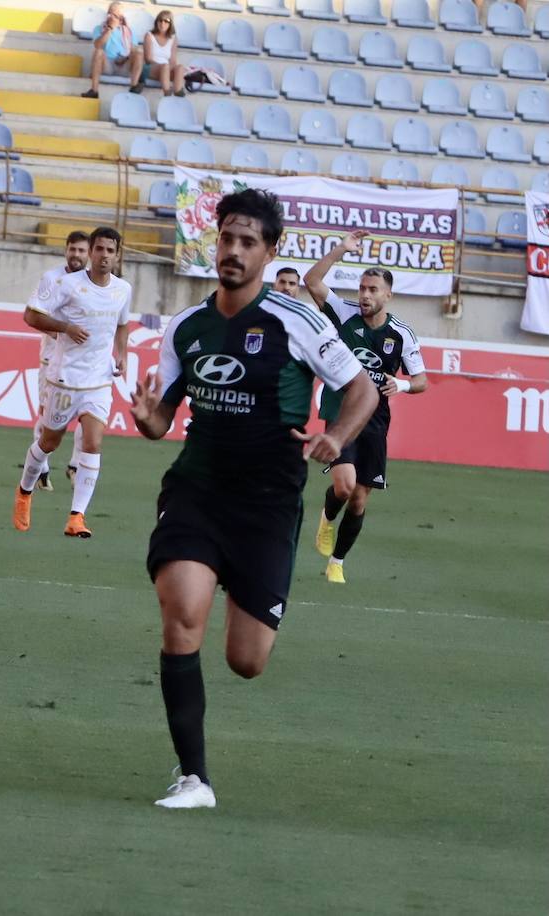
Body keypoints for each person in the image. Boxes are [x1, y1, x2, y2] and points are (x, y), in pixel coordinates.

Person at [129, 189, 377, 809]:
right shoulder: (188, 327)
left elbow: (363, 389)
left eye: (247, 243)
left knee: (247, 660)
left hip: (268, 504)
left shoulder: (298, 319)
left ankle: (245, 585)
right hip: (197, 489)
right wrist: (147, 418)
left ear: (270, 251)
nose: (233, 252)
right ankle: (193, 778)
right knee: (182, 611)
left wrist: (337, 438)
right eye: (226, 240)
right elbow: (164, 421)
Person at [303, 230, 428, 584]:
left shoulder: (401, 334)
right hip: (341, 409)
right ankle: (327, 520)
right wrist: (341, 248)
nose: (365, 295)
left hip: (375, 419)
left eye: (373, 290)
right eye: (362, 288)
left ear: (388, 294)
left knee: (359, 499)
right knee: (344, 486)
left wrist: (402, 384)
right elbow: (312, 280)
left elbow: (422, 380)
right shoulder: (343, 312)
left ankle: (337, 562)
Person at [14, 227, 131, 538]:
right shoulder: (65, 284)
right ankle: (25, 492)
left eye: (110, 250)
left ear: (117, 255)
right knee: (49, 442)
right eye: (100, 249)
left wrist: (122, 354)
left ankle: (76, 516)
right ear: (90, 252)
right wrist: (65, 326)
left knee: (93, 443)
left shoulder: (123, 289)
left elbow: (122, 323)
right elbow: (31, 316)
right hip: (65, 379)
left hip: (99, 381)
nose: (104, 255)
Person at [29, 231, 92, 492]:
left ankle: (75, 466)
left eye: (81, 250)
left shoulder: (97, 282)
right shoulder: (52, 279)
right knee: (47, 415)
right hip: (52, 359)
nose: (76, 255)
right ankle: (41, 466)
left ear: (89, 254)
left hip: (86, 362)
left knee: (87, 416)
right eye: (72, 249)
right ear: (66, 250)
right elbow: (34, 315)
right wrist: (63, 332)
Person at [82, 2, 144, 99]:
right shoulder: (99, 28)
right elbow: (98, 45)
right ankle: (94, 90)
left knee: (139, 52)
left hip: (124, 65)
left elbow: (134, 50)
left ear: (121, 18)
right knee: (98, 52)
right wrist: (110, 29)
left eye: (115, 15)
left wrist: (125, 57)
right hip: (107, 65)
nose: (111, 17)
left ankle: (134, 86)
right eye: (109, 13)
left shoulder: (129, 31)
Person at [143, 10, 186, 97]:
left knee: (180, 67)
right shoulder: (149, 35)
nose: (163, 23)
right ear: (157, 22)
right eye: (160, 20)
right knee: (165, 66)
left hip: (165, 69)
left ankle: (178, 93)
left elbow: (173, 60)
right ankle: (167, 92)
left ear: (170, 24)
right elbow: (148, 59)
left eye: (166, 21)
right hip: (152, 67)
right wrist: (163, 66)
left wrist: (167, 68)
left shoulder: (173, 38)